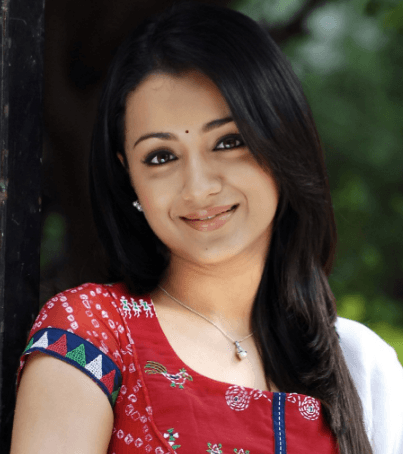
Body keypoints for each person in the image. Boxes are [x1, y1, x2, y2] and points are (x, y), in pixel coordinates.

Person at [10, 1, 403, 453]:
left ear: (281, 140)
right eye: (161, 156)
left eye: (228, 141)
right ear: (128, 175)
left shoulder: (361, 366)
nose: (198, 188)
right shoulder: (90, 332)